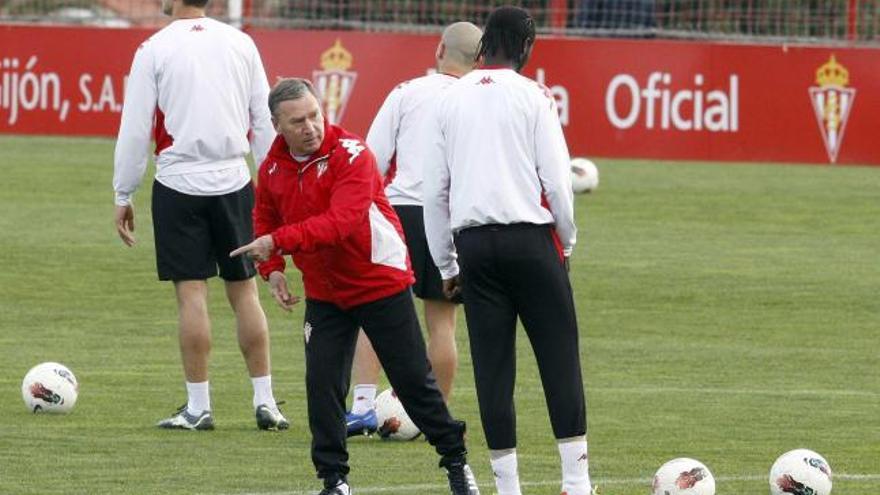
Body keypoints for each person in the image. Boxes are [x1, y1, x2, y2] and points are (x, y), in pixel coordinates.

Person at [230, 78, 480, 495]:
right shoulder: (272, 168)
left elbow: (341, 223)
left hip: (379, 281)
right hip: (326, 293)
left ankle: (456, 461)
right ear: (277, 125)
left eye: (315, 115)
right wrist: (272, 268)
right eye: (298, 121)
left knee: (414, 383)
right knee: (322, 385)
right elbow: (265, 215)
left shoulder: (352, 153)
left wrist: (277, 243)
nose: (311, 126)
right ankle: (334, 480)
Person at [422, 6, 596, 495]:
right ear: (525, 48)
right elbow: (557, 182)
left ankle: (507, 486)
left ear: (483, 47)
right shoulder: (534, 96)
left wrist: (446, 263)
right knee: (559, 357)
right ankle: (576, 482)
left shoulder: (450, 100)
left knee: (493, 368)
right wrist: (566, 240)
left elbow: (436, 190)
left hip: (474, 245)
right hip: (530, 239)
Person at [112, 0, 287, 431]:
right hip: (234, 179)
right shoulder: (241, 42)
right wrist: (273, 187)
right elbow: (265, 121)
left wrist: (123, 190)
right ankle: (265, 402)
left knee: (192, 295)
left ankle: (198, 407)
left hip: (179, 182)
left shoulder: (153, 48)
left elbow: (135, 127)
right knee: (244, 292)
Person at [345, 20, 483, 438]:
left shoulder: (407, 92)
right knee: (442, 323)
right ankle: (435, 418)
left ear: (440, 48)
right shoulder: (481, 101)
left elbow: (371, 156)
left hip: (400, 211)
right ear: (479, 60)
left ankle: (363, 407)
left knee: (377, 312)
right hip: (452, 214)